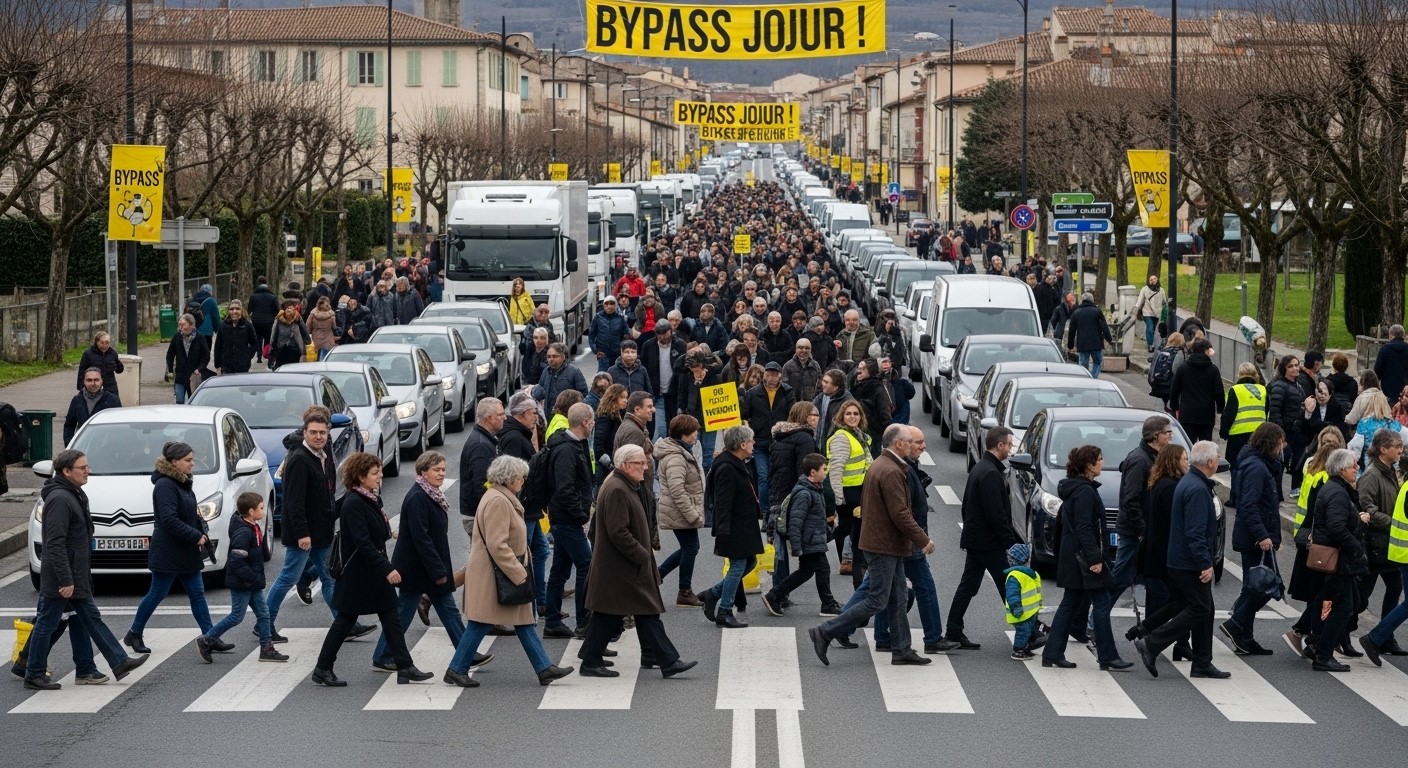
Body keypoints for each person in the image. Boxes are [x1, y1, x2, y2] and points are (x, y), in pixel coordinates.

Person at [807, 425, 936, 667]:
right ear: (899, 444)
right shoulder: (891, 471)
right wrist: (923, 540)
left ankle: (901, 649)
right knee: (878, 599)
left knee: (898, 596)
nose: (914, 445)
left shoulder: (885, 464)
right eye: (909, 441)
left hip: (887, 543)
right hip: (883, 545)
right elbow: (900, 513)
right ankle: (824, 631)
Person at [22, 449, 148, 690]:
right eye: (82, 467)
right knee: (48, 623)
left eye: (87, 466)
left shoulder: (74, 493)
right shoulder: (61, 498)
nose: (87, 471)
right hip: (63, 577)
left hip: (75, 574)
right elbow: (55, 544)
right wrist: (66, 580)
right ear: (66, 471)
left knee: (86, 619)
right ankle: (33, 672)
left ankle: (94, 667)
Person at [442, 455, 573, 687]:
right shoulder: (498, 501)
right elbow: (497, 544)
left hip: (500, 572)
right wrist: (518, 572)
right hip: (497, 573)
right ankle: (456, 668)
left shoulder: (500, 497)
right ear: (510, 479)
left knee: (523, 621)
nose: (523, 481)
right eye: (520, 477)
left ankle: (544, 668)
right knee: (481, 622)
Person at [311, 453, 433, 686]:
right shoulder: (354, 503)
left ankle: (405, 666)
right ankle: (322, 668)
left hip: (372, 573)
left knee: (391, 617)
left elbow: (378, 534)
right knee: (344, 622)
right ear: (360, 476)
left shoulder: (369, 499)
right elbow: (363, 542)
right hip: (359, 575)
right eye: (375, 473)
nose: (380, 476)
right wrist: (387, 569)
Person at [578, 445, 698, 679]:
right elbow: (618, 531)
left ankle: (598, 657)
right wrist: (641, 554)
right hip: (623, 566)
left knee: (620, 612)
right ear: (625, 465)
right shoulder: (617, 489)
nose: (645, 467)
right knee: (639, 610)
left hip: (621, 565)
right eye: (640, 463)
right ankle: (667, 660)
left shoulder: (622, 484)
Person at [373, 452, 488, 672]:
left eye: (443, 469)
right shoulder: (418, 497)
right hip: (417, 568)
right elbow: (421, 538)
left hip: (425, 567)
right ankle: (383, 655)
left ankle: (467, 653)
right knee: (404, 613)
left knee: (447, 610)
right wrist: (438, 570)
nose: (442, 474)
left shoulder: (430, 494)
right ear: (423, 471)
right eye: (437, 469)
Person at [266, 407, 371, 640]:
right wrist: (303, 533)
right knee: (288, 578)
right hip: (303, 534)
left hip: (321, 531)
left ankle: (344, 624)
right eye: (313, 432)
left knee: (330, 577)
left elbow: (327, 491)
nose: (319, 437)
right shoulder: (299, 459)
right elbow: (294, 502)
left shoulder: (323, 454)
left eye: (322, 433)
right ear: (305, 432)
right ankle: (265, 624)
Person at [1134, 441, 1230, 680]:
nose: (1218, 460)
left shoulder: (1190, 481)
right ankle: (1152, 642)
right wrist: (1205, 563)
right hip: (1189, 562)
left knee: (1204, 609)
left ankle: (1202, 662)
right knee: (1199, 608)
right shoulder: (1197, 488)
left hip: (1180, 559)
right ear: (1210, 462)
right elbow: (1195, 532)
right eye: (1217, 456)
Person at [1041, 445, 1130, 670]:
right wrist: (1095, 559)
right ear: (1089, 465)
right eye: (1099, 459)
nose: (1102, 462)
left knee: (1070, 604)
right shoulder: (1084, 492)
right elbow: (1083, 528)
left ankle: (1052, 653)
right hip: (1084, 559)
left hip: (1074, 557)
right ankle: (1108, 656)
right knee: (1100, 603)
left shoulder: (1079, 489)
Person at [124, 442, 217, 655]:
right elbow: (169, 519)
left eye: (192, 459)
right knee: (157, 592)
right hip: (169, 550)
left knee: (197, 593)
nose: (192, 464)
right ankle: (134, 633)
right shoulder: (165, 485)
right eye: (188, 460)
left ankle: (210, 636)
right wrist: (196, 535)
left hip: (185, 549)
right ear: (174, 462)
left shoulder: (182, 482)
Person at [945, 427, 1019, 649]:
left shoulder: (982, 468)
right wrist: (1009, 542)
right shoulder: (990, 474)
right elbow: (996, 513)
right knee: (1008, 586)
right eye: (1009, 444)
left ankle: (953, 631)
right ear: (1000, 445)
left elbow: (967, 507)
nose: (1011, 448)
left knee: (968, 586)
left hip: (978, 539)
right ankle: (1029, 630)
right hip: (988, 542)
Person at [195, 492, 287, 663]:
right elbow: (237, 562)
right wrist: (253, 577)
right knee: (237, 616)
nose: (264, 511)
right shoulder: (244, 532)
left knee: (264, 613)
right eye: (261, 508)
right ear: (251, 511)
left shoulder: (252, 527)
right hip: (243, 582)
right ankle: (206, 640)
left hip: (251, 581)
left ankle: (266, 649)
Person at [1222, 422, 1286, 655]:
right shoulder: (1257, 468)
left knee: (1254, 586)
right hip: (1255, 538)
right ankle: (1236, 623)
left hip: (1258, 535)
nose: (1283, 446)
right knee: (1266, 586)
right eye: (1281, 441)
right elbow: (1248, 505)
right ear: (1271, 442)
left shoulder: (1262, 464)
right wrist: (1262, 535)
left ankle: (1244, 637)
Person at [1305, 448, 1369, 672]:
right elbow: (1336, 528)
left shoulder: (1337, 489)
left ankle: (1315, 643)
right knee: (1342, 608)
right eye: (1354, 466)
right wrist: (1356, 551)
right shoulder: (1337, 493)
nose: (1357, 468)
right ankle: (1323, 654)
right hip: (1340, 560)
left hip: (1341, 560)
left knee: (1339, 602)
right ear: (1342, 469)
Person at [1283, 428, 1345, 657]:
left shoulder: (1312, 466)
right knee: (1323, 593)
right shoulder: (1327, 479)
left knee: (1318, 592)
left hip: (1306, 537)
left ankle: (1310, 634)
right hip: (1318, 541)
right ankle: (1310, 636)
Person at [698, 426, 766, 629]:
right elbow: (723, 502)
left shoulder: (736, 462)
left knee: (750, 562)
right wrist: (724, 531)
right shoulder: (727, 467)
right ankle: (725, 611)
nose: (754, 445)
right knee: (738, 565)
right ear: (742, 444)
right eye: (751, 442)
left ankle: (713, 594)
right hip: (734, 527)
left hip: (743, 524)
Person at [1126, 443, 1189, 653]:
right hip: (1166, 553)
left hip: (1157, 550)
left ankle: (1153, 633)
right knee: (1182, 600)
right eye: (1184, 459)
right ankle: (1153, 634)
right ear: (1174, 461)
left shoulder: (1159, 482)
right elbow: (1174, 524)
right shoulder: (1171, 487)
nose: (1187, 463)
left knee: (1178, 599)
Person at [543, 403, 596, 639]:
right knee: (586, 564)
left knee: (559, 570)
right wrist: (580, 514)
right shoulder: (566, 449)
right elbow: (565, 488)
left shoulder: (574, 444)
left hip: (563, 517)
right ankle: (584, 622)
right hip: (567, 519)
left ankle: (552, 621)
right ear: (585, 422)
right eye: (592, 420)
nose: (593, 424)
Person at [1350, 428, 1405, 657]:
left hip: (1388, 546)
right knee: (1361, 595)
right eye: (1397, 446)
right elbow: (1367, 509)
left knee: (1394, 588)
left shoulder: (1391, 471)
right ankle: (1340, 632)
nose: (1401, 450)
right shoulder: (1372, 475)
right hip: (1374, 546)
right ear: (1384, 449)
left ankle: (1385, 638)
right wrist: (1395, 522)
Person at [762, 453, 836, 616]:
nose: (826, 472)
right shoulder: (804, 493)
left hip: (812, 539)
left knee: (806, 571)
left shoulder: (814, 489)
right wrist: (797, 547)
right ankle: (828, 604)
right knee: (823, 569)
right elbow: (795, 522)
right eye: (824, 469)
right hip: (809, 541)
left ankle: (774, 595)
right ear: (812, 472)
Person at [1110, 416, 1173, 608]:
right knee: (1121, 577)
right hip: (1134, 533)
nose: (1171, 436)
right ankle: (1093, 621)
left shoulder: (1154, 457)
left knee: (1153, 579)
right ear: (1156, 436)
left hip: (1145, 532)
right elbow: (1131, 499)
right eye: (1167, 432)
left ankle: (1152, 628)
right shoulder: (1139, 460)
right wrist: (1142, 531)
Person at [497, 393, 551, 614]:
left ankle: (540, 600)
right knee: (521, 555)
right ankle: (524, 602)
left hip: (531, 508)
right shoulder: (515, 439)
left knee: (541, 550)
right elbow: (513, 476)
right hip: (523, 509)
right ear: (520, 415)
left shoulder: (520, 434)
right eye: (532, 413)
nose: (535, 418)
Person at [767, 402, 823, 593]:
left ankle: (778, 588)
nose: (817, 419)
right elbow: (806, 471)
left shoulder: (780, 437)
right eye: (814, 415)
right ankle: (779, 593)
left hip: (777, 493)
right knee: (806, 547)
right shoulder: (805, 439)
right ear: (804, 417)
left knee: (780, 546)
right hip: (794, 495)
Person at [656, 415, 706, 608]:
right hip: (681, 511)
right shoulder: (676, 456)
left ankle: (657, 576)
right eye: (693, 431)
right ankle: (684, 591)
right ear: (684, 434)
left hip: (681, 510)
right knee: (691, 548)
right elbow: (677, 491)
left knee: (690, 548)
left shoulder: (680, 451)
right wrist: (692, 514)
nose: (696, 435)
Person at [826, 401, 872, 579]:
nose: (853, 417)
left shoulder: (858, 435)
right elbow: (836, 469)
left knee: (849, 529)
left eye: (856, 413)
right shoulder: (842, 438)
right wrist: (838, 497)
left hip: (859, 489)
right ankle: (851, 563)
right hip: (848, 493)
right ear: (841, 417)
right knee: (851, 531)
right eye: (848, 414)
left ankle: (852, 562)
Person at [742, 361, 796, 506]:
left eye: (774, 375)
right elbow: (743, 415)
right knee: (763, 476)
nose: (771, 378)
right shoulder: (752, 393)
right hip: (759, 443)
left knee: (780, 478)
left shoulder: (788, 391)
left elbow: (793, 415)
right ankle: (765, 511)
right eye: (768, 374)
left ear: (780, 376)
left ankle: (777, 509)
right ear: (764, 375)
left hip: (781, 442)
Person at [1221, 362, 1267, 505]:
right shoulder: (1263, 390)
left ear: (1239, 374)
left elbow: (1228, 414)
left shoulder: (1235, 390)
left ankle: (1235, 497)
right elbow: (1267, 412)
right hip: (1259, 435)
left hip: (1238, 435)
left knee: (1236, 466)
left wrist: (1224, 432)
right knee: (1255, 465)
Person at [1168, 338, 1223, 442]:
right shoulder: (1213, 369)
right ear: (1206, 351)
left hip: (1187, 414)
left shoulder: (1183, 368)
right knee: (1206, 447)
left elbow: (1174, 389)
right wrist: (1220, 409)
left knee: (1188, 444)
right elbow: (1219, 391)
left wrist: (1174, 407)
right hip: (1206, 414)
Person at [1268, 355, 1308, 496]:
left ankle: (1295, 488)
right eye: (1291, 366)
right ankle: (1276, 493)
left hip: (1296, 431)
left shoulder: (1298, 386)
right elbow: (1275, 410)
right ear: (1284, 368)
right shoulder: (1279, 385)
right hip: (1284, 432)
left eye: (1297, 365)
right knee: (1280, 463)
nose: (1295, 368)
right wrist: (1281, 434)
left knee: (1298, 460)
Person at [642, 319, 687, 438]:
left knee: (675, 426)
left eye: (665, 333)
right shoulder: (648, 346)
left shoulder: (680, 345)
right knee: (661, 428)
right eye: (659, 334)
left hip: (675, 392)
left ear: (671, 331)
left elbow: (684, 369)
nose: (662, 337)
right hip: (657, 393)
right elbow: (644, 369)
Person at [1004, 543, 1044, 660]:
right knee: (1023, 632)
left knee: (1027, 631)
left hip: (1029, 612)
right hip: (1021, 612)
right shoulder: (1016, 575)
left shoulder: (1028, 574)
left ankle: (1024, 647)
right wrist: (1016, 608)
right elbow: (1012, 595)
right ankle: (1018, 650)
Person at [63, 368, 120, 446]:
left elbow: (119, 426)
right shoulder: (77, 400)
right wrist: (70, 445)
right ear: (84, 381)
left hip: (107, 446)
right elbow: (69, 425)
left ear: (101, 381)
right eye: (89, 380)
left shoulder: (113, 400)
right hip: (83, 446)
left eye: (96, 380)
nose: (93, 383)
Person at [850, 358, 892, 456]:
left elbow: (885, 413)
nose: (859, 370)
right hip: (857, 432)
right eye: (858, 368)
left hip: (873, 434)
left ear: (871, 371)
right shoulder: (856, 386)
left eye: (863, 368)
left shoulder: (878, 389)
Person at [1065, 292, 1113, 378]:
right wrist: (1109, 339)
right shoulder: (1097, 312)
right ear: (1092, 300)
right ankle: (1093, 378)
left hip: (1082, 343)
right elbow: (1104, 327)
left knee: (1083, 364)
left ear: (1082, 301)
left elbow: (1071, 331)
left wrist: (1070, 345)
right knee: (1098, 362)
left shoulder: (1076, 313)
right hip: (1096, 343)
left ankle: (1085, 379)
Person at [165, 313, 209, 404]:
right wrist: (170, 370)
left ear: (191, 325)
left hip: (193, 376)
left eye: (183, 325)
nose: (180, 327)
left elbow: (206, 355)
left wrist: (199, 368)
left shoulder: (200, 338)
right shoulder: (177, 337)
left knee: (192, 402)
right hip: (180, 376)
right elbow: (170, 354)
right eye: (179, 324)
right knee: (179, 401)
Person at [592, 384, 628, 486]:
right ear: (613, 398)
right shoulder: (606, 417)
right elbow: (597, 444)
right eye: (622, 397)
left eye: (626, 397)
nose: (625, 400)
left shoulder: (618, 414)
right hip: (605, 467)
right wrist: (610, 464)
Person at [532, 342, 588, 407]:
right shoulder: (546, 372)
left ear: (563, 357)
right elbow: (540, 392)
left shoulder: (574, 372)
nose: (551, 359)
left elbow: (583, 394)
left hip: (567, 414)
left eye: (554, 356)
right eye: (548, 356)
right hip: (550, 415)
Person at [213, 300, 260, 374]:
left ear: (241, 310)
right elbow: (218, 346)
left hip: (242, 365)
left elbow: (254, 343)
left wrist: (247, 357)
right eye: (231, 309)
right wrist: (217, 364)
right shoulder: (223, 326)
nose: (234, 311)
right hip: (226, 365)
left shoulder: (247, 325)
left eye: (237, 309)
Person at [76, 331, 123, 402]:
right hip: (94, 385)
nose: (104, 345)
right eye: (102, 342)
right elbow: (82, 371)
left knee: (113, 405)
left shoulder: (112, 353)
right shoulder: (88, 354)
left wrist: (116, 366)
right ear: (97, 342)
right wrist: (81, 388)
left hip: (110, 385)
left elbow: (119, 370)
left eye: (107, 343)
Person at [589, 295, 632, 373]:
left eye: (612, 304)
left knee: (616, 375)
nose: (609, 306)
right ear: (604, 306)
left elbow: (627, 334)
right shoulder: (598, 318)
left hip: (616, 353)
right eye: (607, 304)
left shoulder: (620, 318)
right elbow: (591, 335)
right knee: (603, 376)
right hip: (603, 353)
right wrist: (595, 350)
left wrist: (623, 349)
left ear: (615, 305)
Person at [268, 300, 310, 371]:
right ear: (284, 309)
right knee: (282, 367)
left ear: (294, 309)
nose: (289, 310)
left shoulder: (298, 318)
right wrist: (272, 345)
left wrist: (307, 341)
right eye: (287, 308)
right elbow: (274, 333)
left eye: (291, 308)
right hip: (281, 347)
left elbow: (304, 330)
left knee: (293, 368)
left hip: (295, 347)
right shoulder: (279, 318)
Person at [1374, 323, 1408, 403]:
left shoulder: (1385, 349)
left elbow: (1378, 370)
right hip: (1406, 390)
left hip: (1389, 390)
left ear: (1391, 335)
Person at [248, 279, 279, 363]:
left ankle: (259, 357)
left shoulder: (253, 296)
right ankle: (268, 355)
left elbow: (249, 309)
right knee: (268, 338)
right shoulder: (272, 297)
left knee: (258, 338)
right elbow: (277, 310)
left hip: (256, 321)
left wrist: (253, 315)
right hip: (269, 321)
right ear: (267, 284)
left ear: (258, 284)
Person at [1134, 274, 1167, 349]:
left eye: (1154, 279)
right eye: (1151, 279)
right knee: (1150, 327)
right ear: (1149, 281)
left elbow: (1164, 301)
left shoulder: (1161, 290)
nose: (1153, 280)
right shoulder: (1144, 289)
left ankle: (1150, 341)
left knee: (1152, 329)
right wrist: (1136, 308)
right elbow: (1140, 300)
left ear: (1157, 280)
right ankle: (1150, 345)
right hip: (1147, 312)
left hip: (1157, 313)